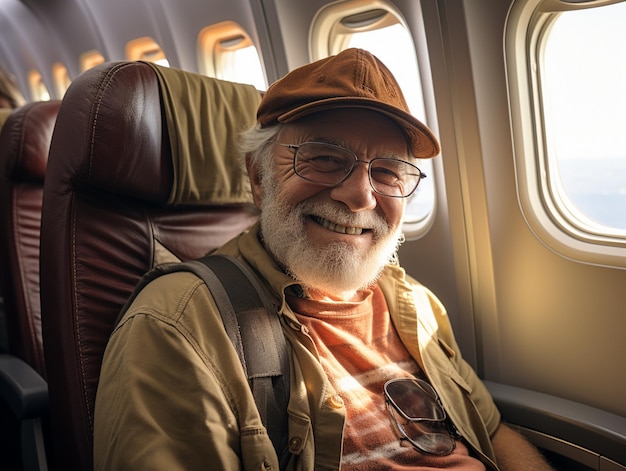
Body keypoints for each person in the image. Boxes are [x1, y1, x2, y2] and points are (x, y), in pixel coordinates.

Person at [93, 48, 554, 470]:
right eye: (325, 159)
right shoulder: (179, 326)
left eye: (388, 171)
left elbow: (489, 431)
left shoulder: (415, 304)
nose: (359, 197)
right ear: (258, 177)